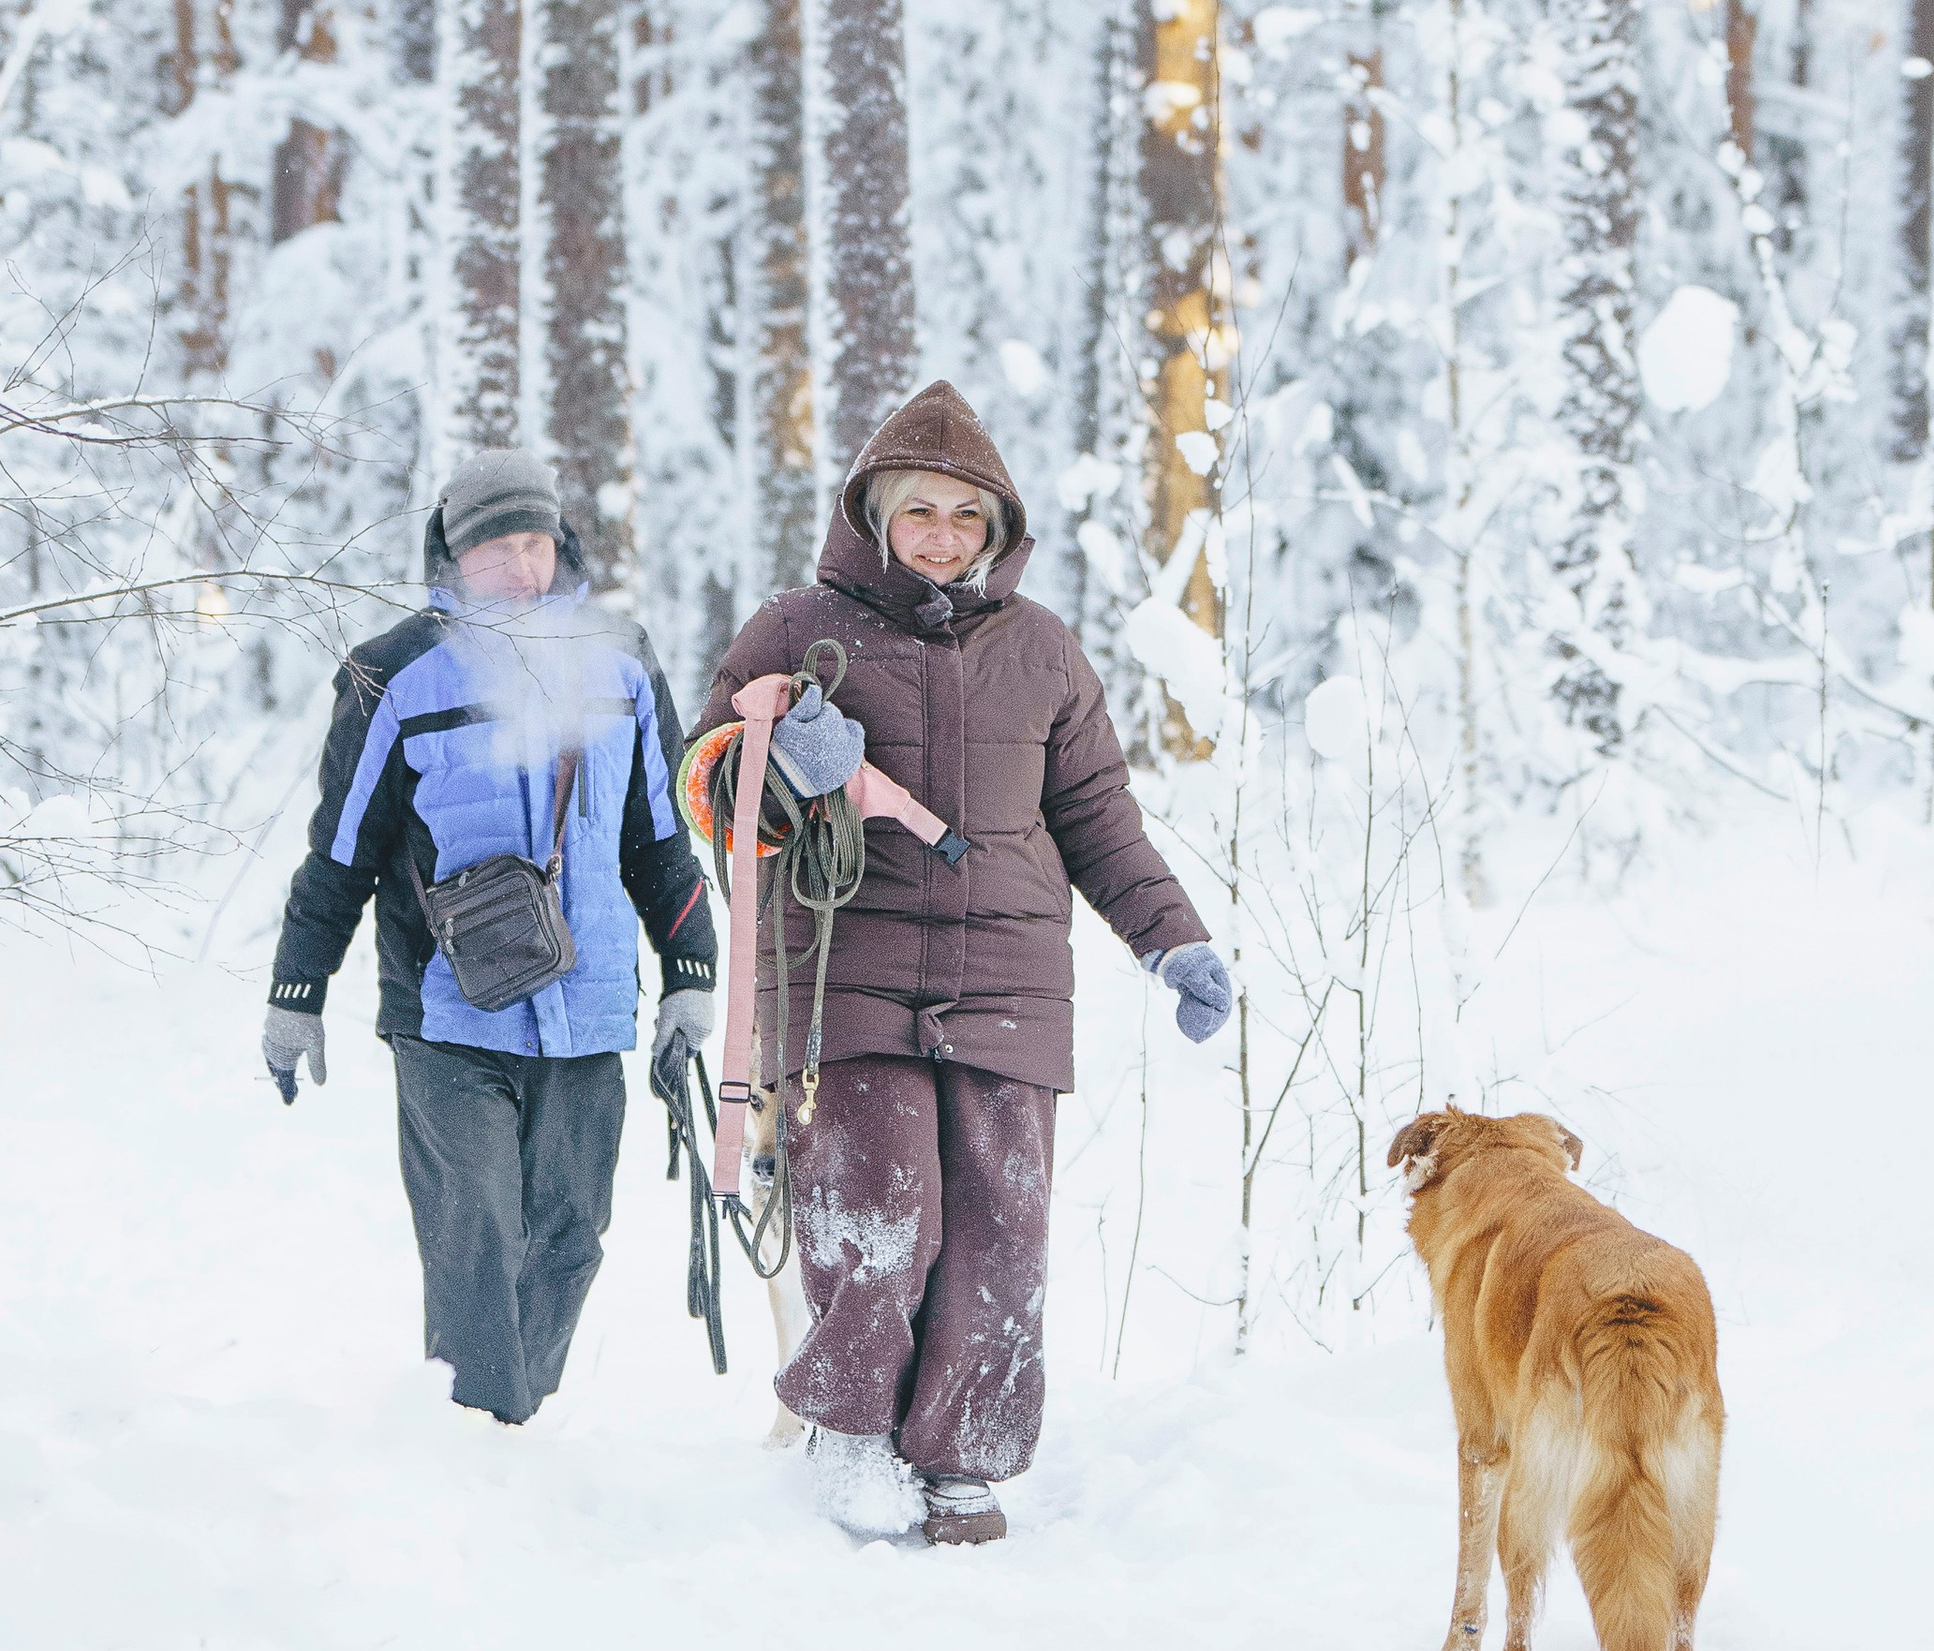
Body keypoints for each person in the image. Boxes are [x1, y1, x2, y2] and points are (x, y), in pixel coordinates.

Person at [687, 380, 1230, 1545]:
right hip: (846, 971)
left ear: (998, 528)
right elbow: (707, 786)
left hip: (1009, 983)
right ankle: (851, 1432)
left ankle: (965, 1456)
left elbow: (1098, 819)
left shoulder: (1043, 650)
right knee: (877, 1212)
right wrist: (778, 763)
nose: (942, 537)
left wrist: (1173, 938)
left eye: (965, 517)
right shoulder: (795, 630)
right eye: (920, 512)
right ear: (877, 517)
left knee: (1000, 1232)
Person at [261, 447, 720, 1425]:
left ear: (560, 542)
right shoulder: (394, 674)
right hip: (447, 1012)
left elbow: (660, 840)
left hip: (588, 1008)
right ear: (451, 554)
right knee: (474, 1237)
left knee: (569, 1240)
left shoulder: (622, 661)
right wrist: (296, 990)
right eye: (493, 547)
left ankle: (509, 1426)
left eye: (534, 542)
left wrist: (690, 971)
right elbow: (340, 853)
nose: (519, 566)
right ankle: (477, 1437)